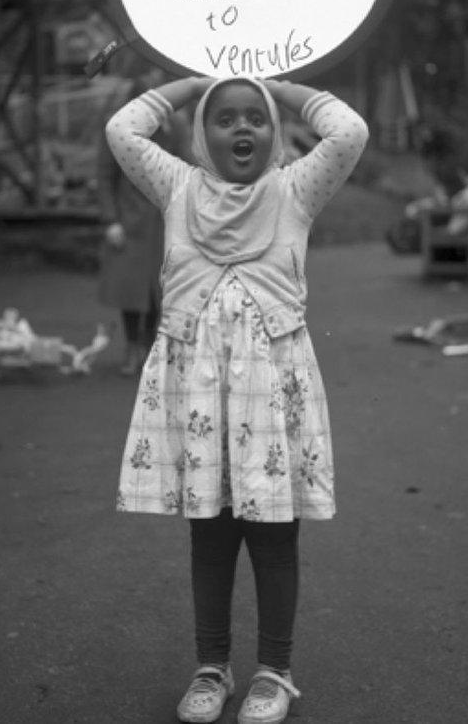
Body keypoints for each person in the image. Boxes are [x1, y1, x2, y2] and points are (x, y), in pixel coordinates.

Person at [105, 75, 368, 723]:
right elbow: (122, 130)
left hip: (270, 396)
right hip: (200, 397)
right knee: (211, 535)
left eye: (257, 116)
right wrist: (192, 81)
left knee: (274, 536)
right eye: (224, 117)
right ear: (200, 132)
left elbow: (350, 131)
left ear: (276, 130)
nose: (242, 128)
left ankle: (274, 673)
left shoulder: (294, 192)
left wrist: (281, 83)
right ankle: (211, 666)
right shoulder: (177, 188)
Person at [97, 68, 191, 375]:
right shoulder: (117, 129)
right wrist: (111, 220)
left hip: (165, 222)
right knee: (130, 289)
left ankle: (151, 348)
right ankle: (132, 346)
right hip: (130, 219)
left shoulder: (175, 127)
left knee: (159, 290)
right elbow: (105, 176)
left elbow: (187, 168)